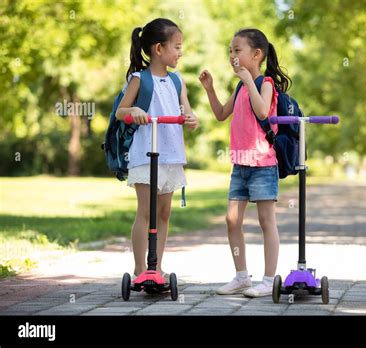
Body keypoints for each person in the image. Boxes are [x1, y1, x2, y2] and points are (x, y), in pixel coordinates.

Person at [199, 28, 291, 297]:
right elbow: (220, 114)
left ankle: (268, 279)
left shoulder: (265, 83)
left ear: (256, 54)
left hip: (263, 164)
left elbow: (263, 110)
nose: (232, 56)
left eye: (237, 50)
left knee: (266, 221)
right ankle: (241, 277)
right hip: (240, 165)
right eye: (230, 51)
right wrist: (210, 89)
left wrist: (249, 80)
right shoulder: (240, 85)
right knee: (231, 220)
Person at [116, 18, 198, 281]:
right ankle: (141, 269)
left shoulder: (177, 81)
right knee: (145, 211)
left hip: (171, 155)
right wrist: (134, 111)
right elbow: (120, 112)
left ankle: (157, 267)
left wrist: (191, 118)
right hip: (145, 154)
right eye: (177, 46)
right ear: (159, 49)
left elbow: (186, 110)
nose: (180, 52)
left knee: (163, 213)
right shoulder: (139, 79)